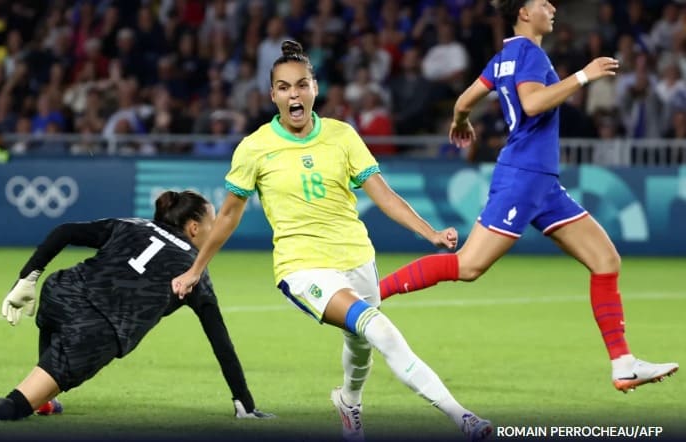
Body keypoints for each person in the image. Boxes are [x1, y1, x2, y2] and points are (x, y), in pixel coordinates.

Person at [171, 40, 492, 442]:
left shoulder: (342, 136)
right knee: (379, 329)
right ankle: (464, 418)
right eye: (284, 87)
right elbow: (230, 216)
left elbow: (383, 194)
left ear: (314, 89)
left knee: (361, 347)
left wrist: (429, 232)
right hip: (302, 267)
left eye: (301, 85)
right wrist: (195, 268)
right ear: (273, 95)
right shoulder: (254, 148)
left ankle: (349, 402)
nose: (294, 94)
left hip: (357, 257)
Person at [379, 0, 678, 393]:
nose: (552, 7)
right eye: (543, 3)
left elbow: (464, 100)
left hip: (543, 185)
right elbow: (533, 103)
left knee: (606, 261)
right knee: (468, 266)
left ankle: (623, 364)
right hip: (523, 177)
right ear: (523, 12)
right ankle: (373, 293)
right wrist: (583, 77)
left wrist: (461, 121)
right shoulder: (530, 53)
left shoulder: (505, 56)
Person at [0, 190, 274, 423]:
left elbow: (65, 231)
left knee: (55, 329)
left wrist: (28, 277)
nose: (217, 231)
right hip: (95, 331)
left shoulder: (132, 225)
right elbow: (220, 340)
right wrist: (244, 401)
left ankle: (46, 398)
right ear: (194, 228)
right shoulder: (195, 270)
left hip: (60, 291)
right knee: (15, 406)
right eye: (213, 223)